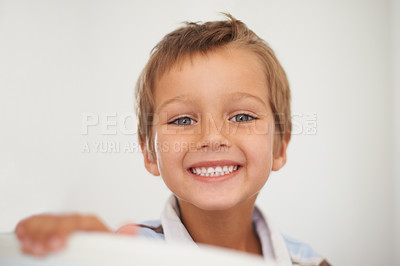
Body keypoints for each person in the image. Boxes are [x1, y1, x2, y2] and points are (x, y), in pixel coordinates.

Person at [15, 14, 330, 266]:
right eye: (182, 120)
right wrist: (83, 255)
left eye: (242, 117)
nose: (211, 137)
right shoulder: (127, 255)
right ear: (149, 152)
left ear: (280, 146)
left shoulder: (311, 262)